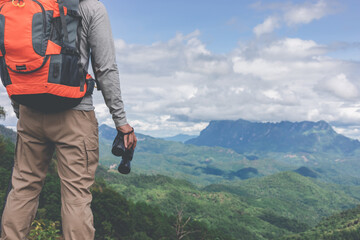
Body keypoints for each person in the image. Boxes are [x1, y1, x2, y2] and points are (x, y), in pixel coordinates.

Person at [0, 0, 137, 239]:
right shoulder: (91, 7)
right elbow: (105, 68)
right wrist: (121, 123)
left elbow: (10, 62)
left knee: (23, 189)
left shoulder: (22, 5)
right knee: (76, 196)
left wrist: (19, 109)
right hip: (75, 114)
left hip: (30, 113)